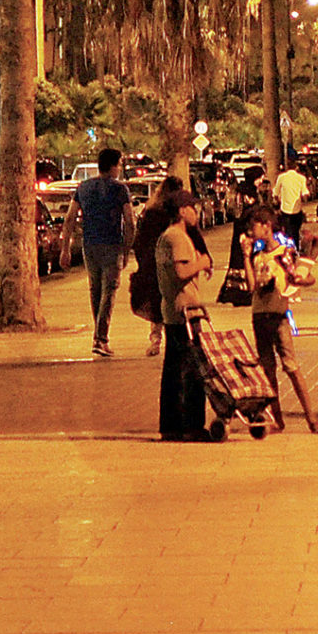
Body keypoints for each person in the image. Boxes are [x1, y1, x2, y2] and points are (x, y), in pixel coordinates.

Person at [243, 206, 318, 433]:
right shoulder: (258, 256)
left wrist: (299, 278)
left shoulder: (284, 253)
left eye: (254, 226)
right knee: (268, 370)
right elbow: (251, 287)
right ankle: (277, 419)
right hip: (259, 315)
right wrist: (246, 257)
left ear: (266, 226)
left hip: (278, 315)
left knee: (291, 366)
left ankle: (312, 418)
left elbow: (303, 279)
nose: (251, 231)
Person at [155, 193, 216, 442]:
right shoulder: (177, 237)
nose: (196, 212)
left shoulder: (167, 237)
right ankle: (190, 424)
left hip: (176, 309)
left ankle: (171, 425)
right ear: (182, 211)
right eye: (192, 208)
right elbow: (181, 271)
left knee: (174, 368)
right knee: (191, 370)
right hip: (184, 311)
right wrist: (202, 262)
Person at [75, 147, 132, 358]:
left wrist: (65, 248)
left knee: (95, 290)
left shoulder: (83, 187)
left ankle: (99, 336)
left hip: (89, 244)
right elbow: (129, 220)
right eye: (120, 164)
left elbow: (72, 216)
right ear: (114, 165)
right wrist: (126, 249)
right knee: (109, 291)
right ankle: (101, 338)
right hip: (111, 244)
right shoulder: (120, 189)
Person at [130, 177, 184, 358]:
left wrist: (143, 262)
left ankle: (156, 339)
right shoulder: (175, 215)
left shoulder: (151, 212)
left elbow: (139, 241)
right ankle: (176, 339)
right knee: (171, 300)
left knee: (156, 301)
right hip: (171, 262)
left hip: (151, 263)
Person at [273, 160, 309, 251]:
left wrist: (277, 201)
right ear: (296, 167)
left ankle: (288, 249)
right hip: (297, 209)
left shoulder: (281, 177)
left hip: (285, 209)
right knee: (295, 231)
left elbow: (275, 193)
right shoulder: (301, 178)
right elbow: (305, 193)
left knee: (287, 231)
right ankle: (295, 249)